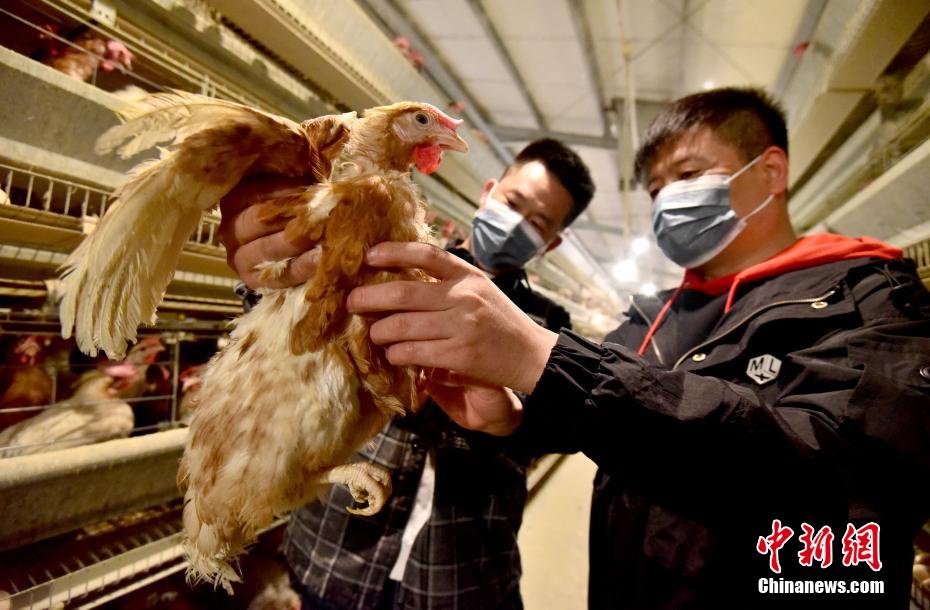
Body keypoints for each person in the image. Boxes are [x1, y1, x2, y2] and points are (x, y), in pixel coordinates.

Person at [341, 87, 930, 609]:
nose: (669, 199)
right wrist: (513, 421)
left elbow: (851, 498)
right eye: (657, 188)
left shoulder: (866, 301)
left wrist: (541, 359)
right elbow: (590, 418)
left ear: (770, 170)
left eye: (690, 173)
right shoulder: (652, 317)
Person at [219, 138, 595, 609]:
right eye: (512, 203)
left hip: (461, 566)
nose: (517, 223)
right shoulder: (395, 260)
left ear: (552, 241)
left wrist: (511, 421)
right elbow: (294, 325)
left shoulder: (546, 326)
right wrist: (269, 275)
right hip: (338, 547)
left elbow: (562, 430)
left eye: (537, 222)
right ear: (488, 192)